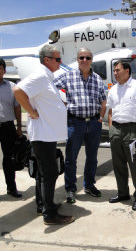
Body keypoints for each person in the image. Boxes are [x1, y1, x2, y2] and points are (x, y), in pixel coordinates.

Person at [13, 44, 75, 225]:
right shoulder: (40, 76)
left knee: (45, 173)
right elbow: (18, 91)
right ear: (46, 60)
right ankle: (49, 214)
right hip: (42, 136)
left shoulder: (47, 77)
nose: (60, 62)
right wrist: (31, 112)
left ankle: (46, 205)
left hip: (47, 135)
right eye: (57, 59)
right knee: (49, 174)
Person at [54, 48, 106, 203]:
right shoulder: (68, 76)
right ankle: (70, 189)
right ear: (77, 59)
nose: (84, 60)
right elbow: (50, 89)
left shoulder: (97, 78)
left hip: (94, 123)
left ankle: (89, 185)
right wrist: (61, 104)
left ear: (91, 60)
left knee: (92, 157)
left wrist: (101, 117)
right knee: (71, 158)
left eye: (88, 57)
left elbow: (103, 99)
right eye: (81, 57)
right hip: (75, 123)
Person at [107, 60, 136, 211]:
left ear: (127, 71)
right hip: (116, 130)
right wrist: (112, 128)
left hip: (133, 129)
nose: (115, 73)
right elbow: (110, 110)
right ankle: (123, 193)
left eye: (118, 70)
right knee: (118, 165)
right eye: (114, 71)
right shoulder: (113, 89)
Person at [0, 58, 23, 198]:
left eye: (0, 68)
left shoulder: (11, 87)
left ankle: (11, 188)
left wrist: (19, 126)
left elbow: (17, 107)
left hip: (7, 127)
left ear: (4, 70)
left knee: (10, 158)